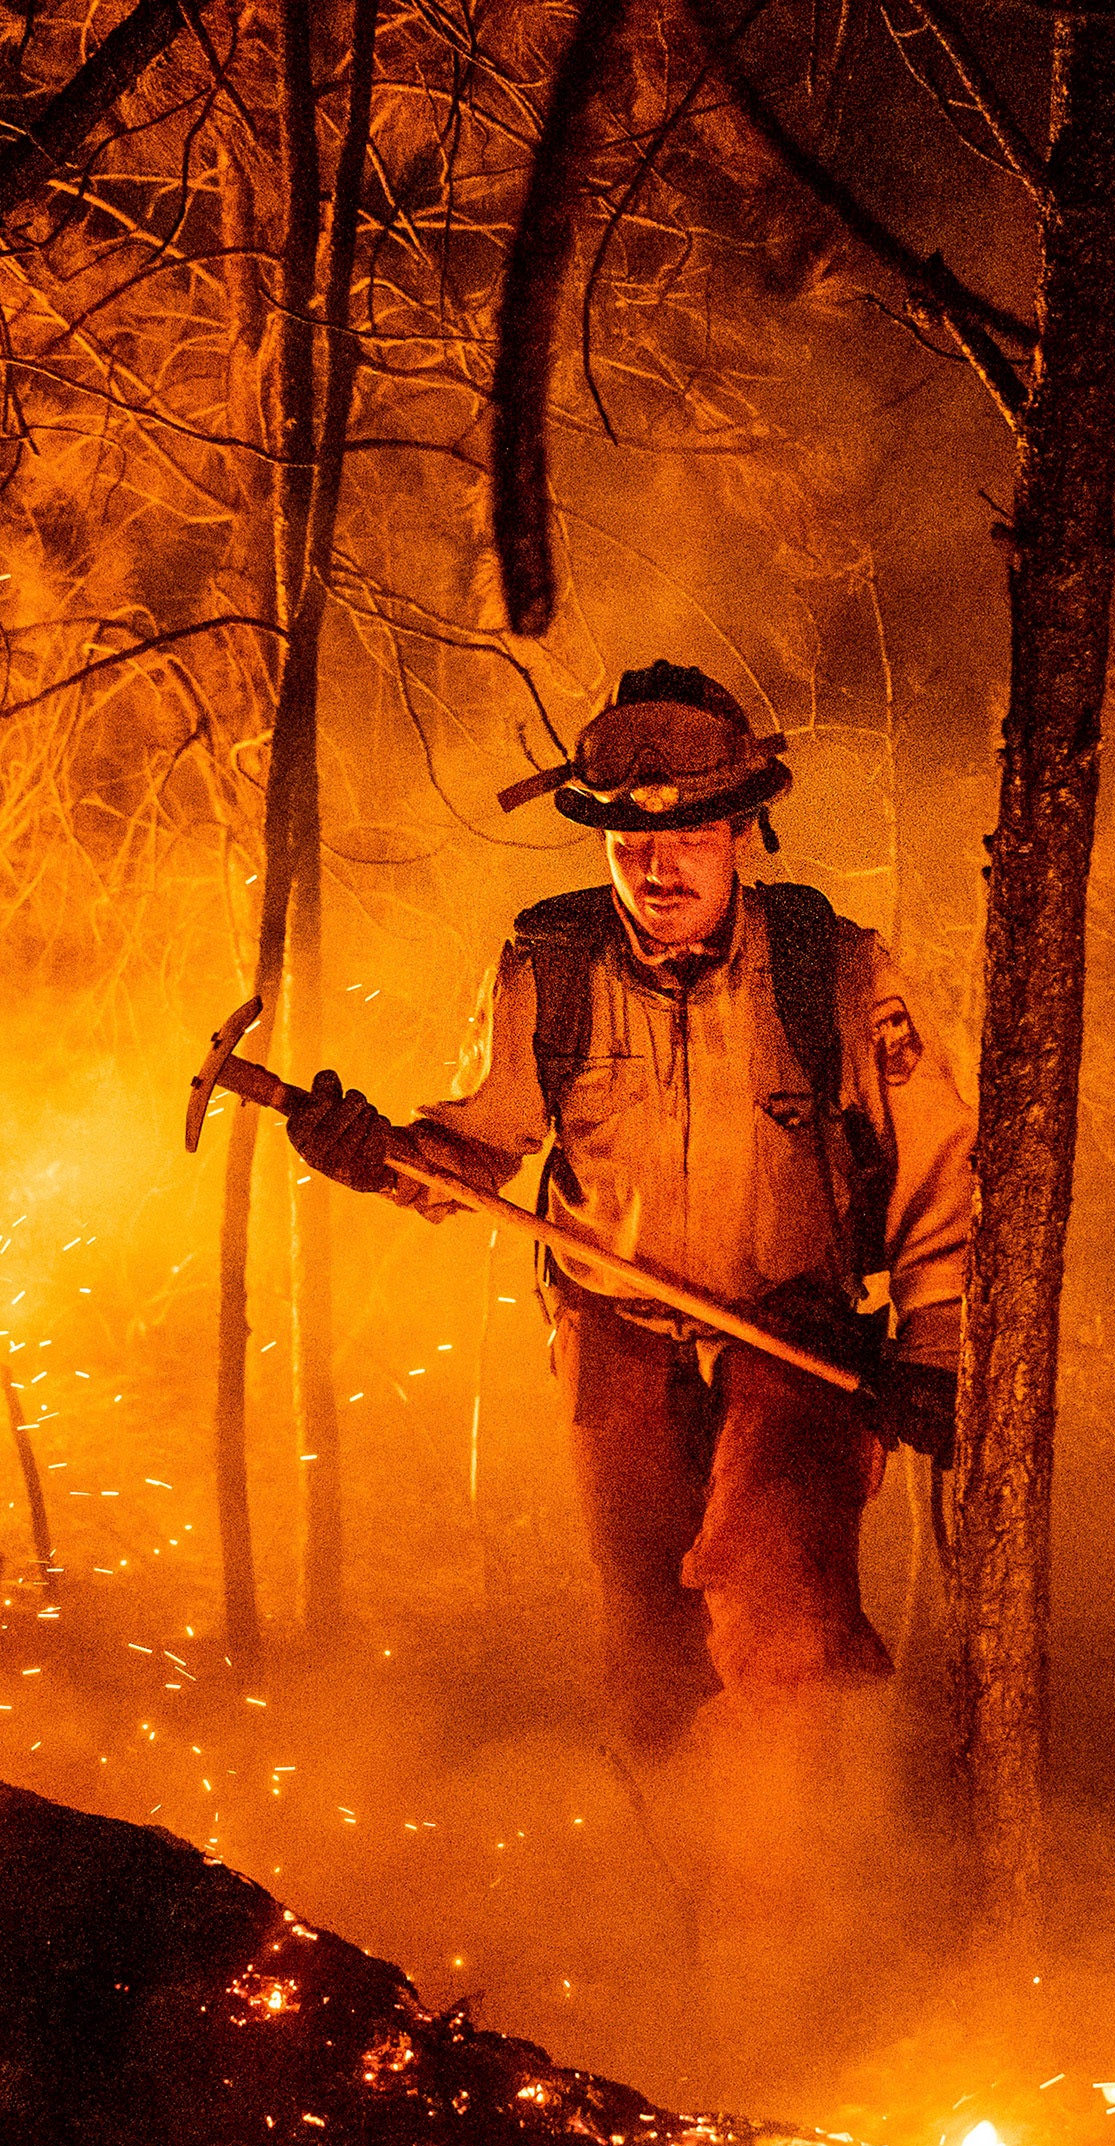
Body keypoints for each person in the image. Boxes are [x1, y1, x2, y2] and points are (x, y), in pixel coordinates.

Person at [285, 662, 975, 1807]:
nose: (657, 868)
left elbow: (938, 1169)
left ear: (743, 832)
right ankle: (666, 1872)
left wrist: (935, 1349)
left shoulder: (835, 973)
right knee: (651, 1647)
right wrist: (379, 1155)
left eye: (689, 836)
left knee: (786, 1626)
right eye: (629, 842)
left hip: (791, 1341)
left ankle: (815, 1869)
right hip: (617, 1343)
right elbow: (479, 1147)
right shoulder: (550, 970)